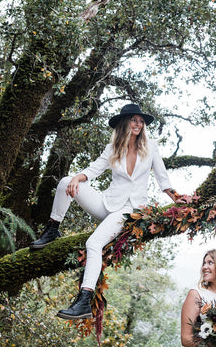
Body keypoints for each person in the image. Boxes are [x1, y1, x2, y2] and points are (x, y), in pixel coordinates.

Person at [30, 103, 181, 320]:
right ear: (124, 122)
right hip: (107, 203)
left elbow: (162, 179)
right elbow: (93, 171)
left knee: (93, 243)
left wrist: (177, 199)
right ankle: (52, 229)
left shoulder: (151, 147)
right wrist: (76, 178)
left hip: (131, 211)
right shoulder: (112, 148)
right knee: (65, 182)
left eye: (141, 121)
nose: (138, 124)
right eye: (133, 119)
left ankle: (84, 300)